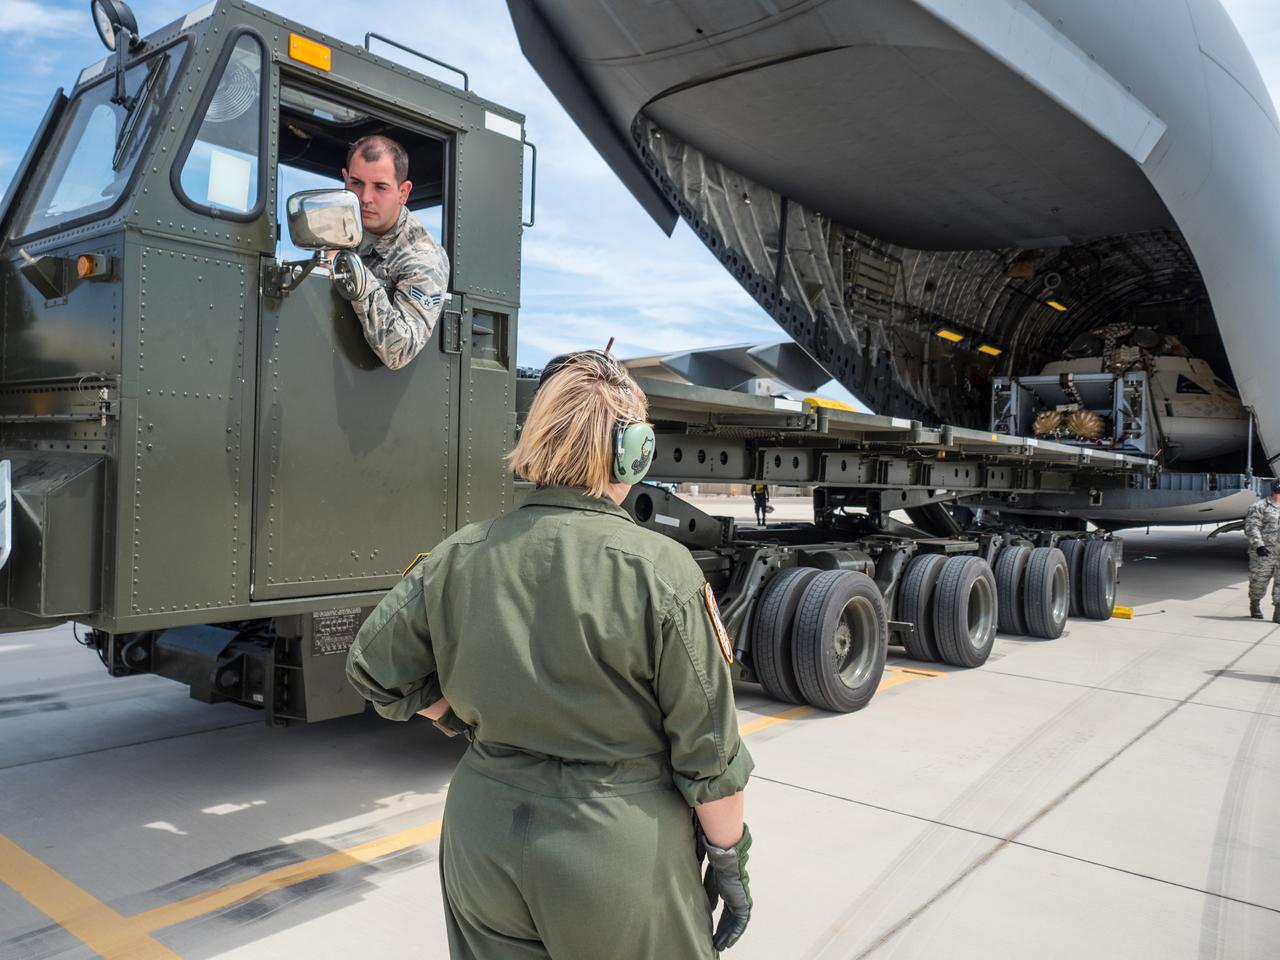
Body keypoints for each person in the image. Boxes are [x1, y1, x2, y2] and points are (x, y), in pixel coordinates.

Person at [346, 350, 754, 959]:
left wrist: (460, 717)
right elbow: (709, 756)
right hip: (617, 854)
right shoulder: (662, 569)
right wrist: (729, 862)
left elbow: (375, 671)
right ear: (634, 452)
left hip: (482, 840)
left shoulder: (459, 554)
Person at [339, 134, 449, 370]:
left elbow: (399, 351)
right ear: (345, 179)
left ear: (403, 192)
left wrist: (352, 272)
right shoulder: (334, 224)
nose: (365, 198)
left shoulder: (422, 256)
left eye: (380, 187)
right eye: (356, 183)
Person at [1244, 478, 1280, 621]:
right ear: (1272, 491)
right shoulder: (1259, 506)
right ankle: (1255, 603)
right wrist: (1259, 545)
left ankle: (1278, 611)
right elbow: (1252, 527)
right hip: (1264, 552)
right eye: (1277, 491)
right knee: (1258, 582)